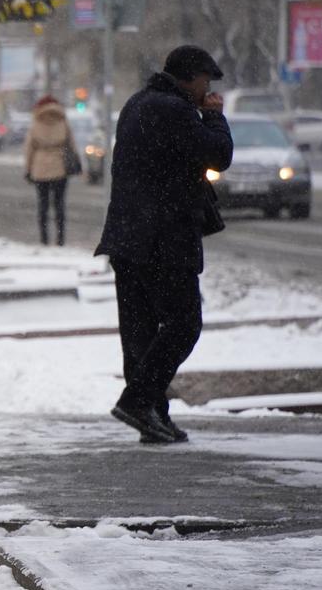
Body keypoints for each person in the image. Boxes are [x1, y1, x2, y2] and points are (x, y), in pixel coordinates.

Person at [95, 45, 233, 444]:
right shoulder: (173, 110)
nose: (207, 88)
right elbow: (218, 155)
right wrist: (214, 116)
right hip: (163, 239)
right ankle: (139, 401)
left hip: (128, 237)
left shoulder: (138, 103)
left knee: (140, 333)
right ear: (190, 77)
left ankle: (152, 415)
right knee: (183, 324)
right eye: (206, 81)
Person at [23, 95, 79, 246]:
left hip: (39, 167)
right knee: (60, 205)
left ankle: (44, 239)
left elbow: (29, 148)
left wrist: (28, 168)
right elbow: (71, 143)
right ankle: (60, 239)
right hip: (60, 166)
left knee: (43, 206)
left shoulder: (36, 122)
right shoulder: (62, 120)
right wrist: (75, 160)